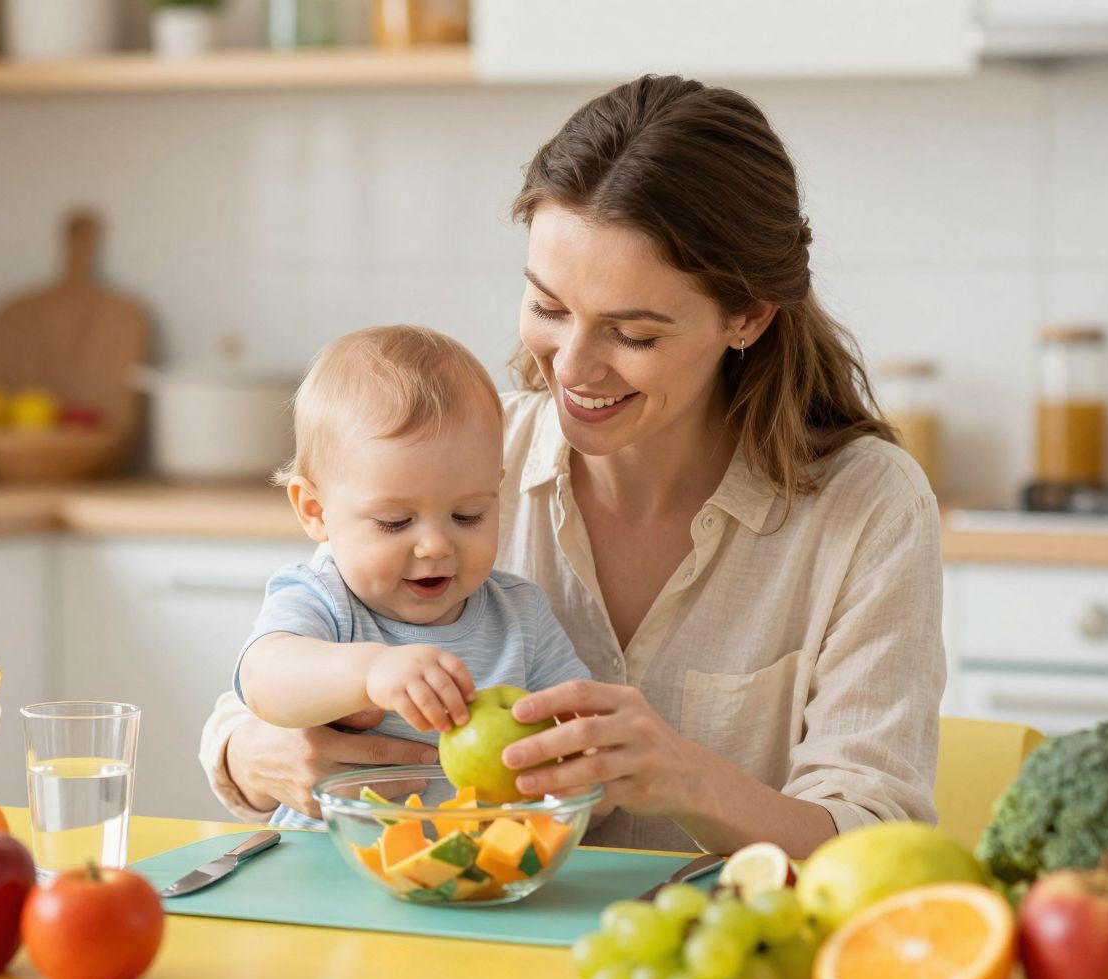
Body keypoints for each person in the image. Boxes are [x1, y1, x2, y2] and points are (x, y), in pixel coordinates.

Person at [201, 74, 945, 863]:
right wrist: (252, 753)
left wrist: (686, 779)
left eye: (633, 334)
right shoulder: (467, 455)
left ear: (748, 316)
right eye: (549, 309)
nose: (572, 367)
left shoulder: (866, 506)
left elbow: (876, 841)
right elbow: (275, 672)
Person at [234, 324, 590, 830]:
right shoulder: (323, 599)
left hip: (480, 868)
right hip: (323, 870)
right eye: (395, 522)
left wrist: (577, 770)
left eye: (468, 515)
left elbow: (582, 733)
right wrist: (370, 672)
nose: (436, 545)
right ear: (314, 510)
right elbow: (263, 680)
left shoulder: (521, 615)